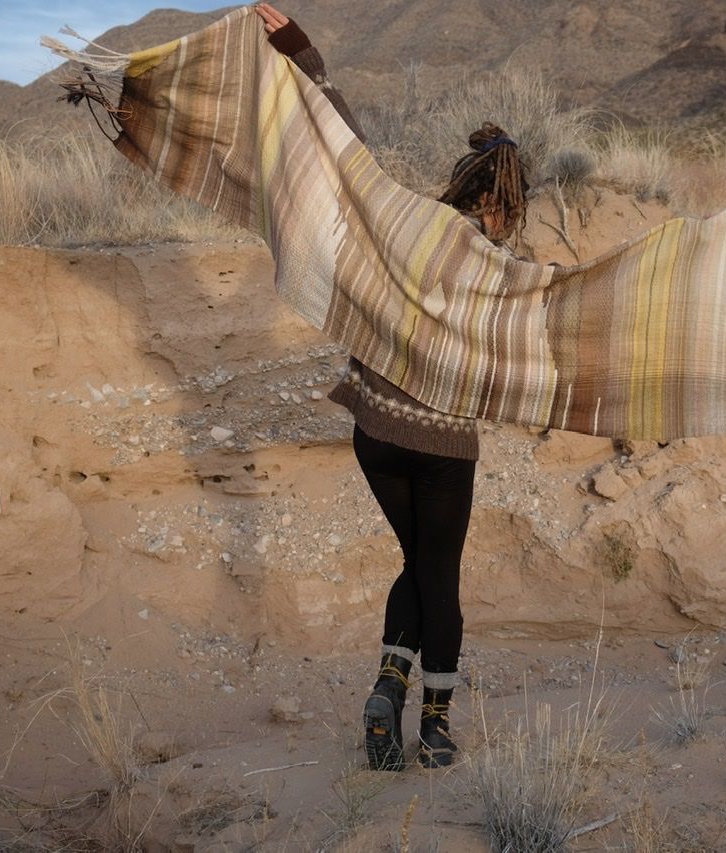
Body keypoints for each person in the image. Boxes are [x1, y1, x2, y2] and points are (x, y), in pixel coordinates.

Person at [254, 3, 530, 771]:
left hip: (375, 431)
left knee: (414, 565)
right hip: (443, 446)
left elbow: (346, 151)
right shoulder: (507, 270)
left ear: (462, 181)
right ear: (498, 203)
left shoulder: (402, 221)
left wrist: (300, 52)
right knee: (437, 577)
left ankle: (385, 693)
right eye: (513, 209)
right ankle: (434, 729)